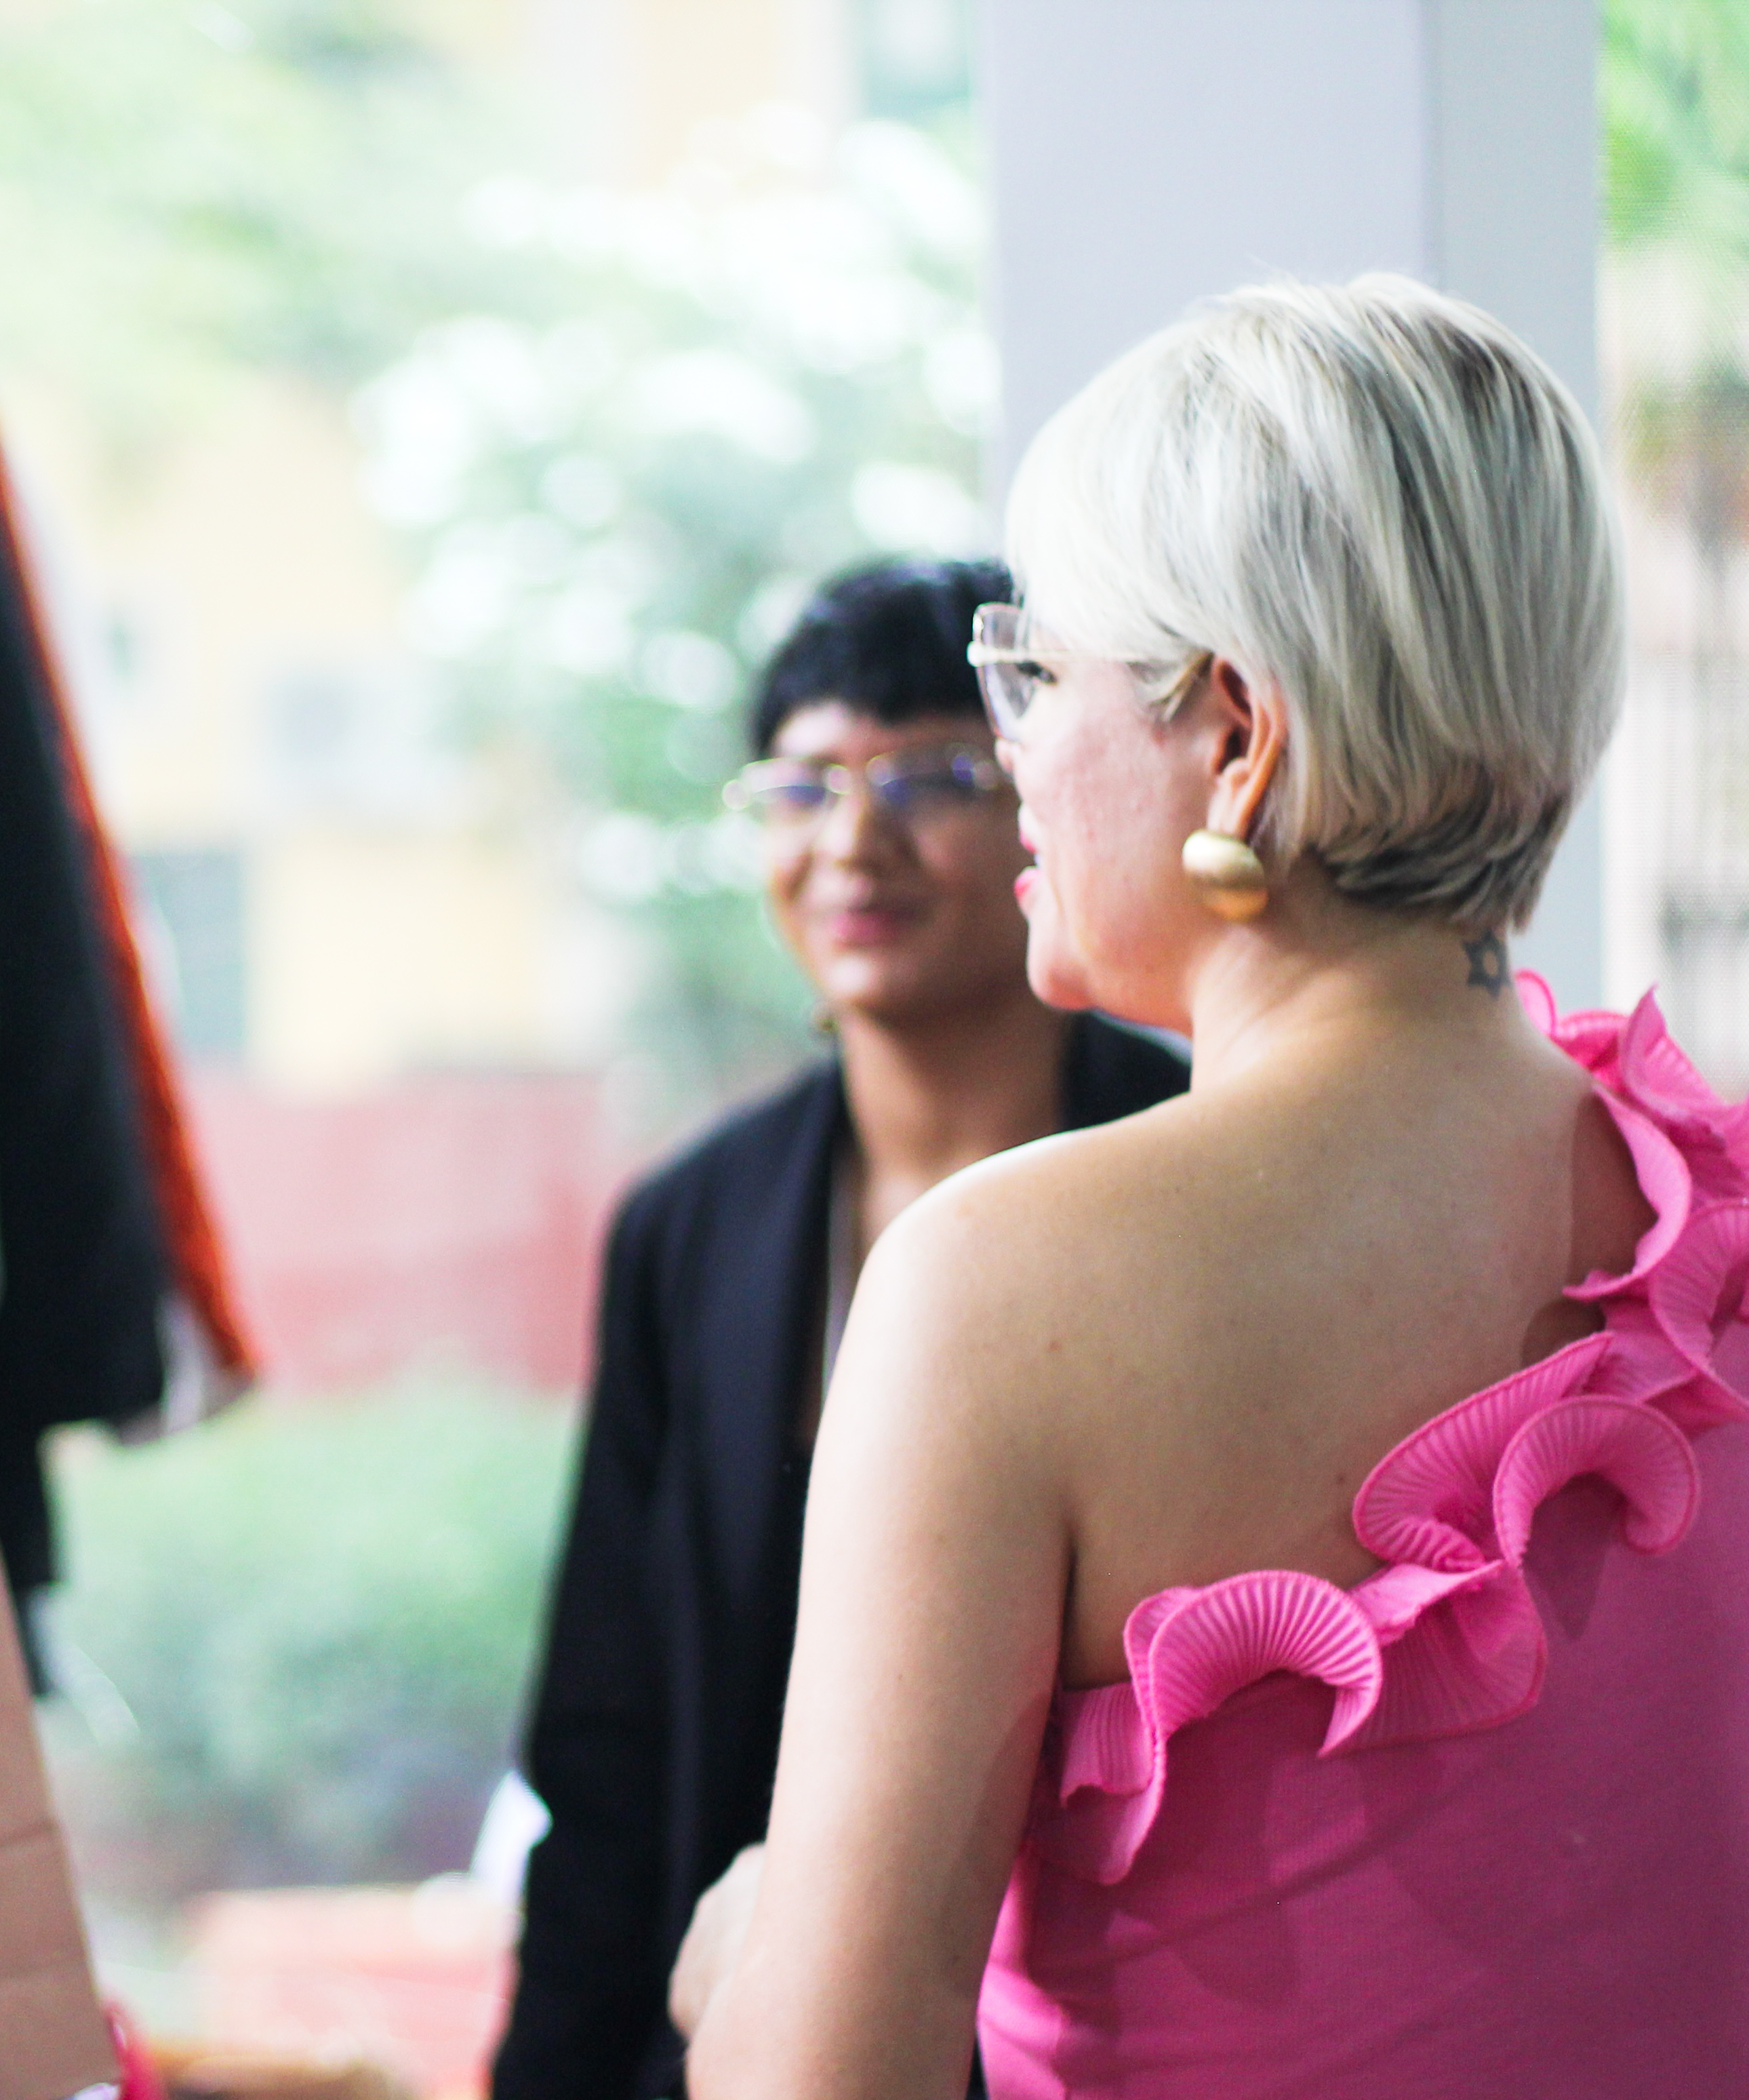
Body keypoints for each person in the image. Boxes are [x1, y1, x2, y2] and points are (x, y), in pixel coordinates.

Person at [670, 275, 1748, 2099]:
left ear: (1231, 734)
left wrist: (744, 1947)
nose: (1010, 746)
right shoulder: (1703, 1211)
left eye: (1034, 675)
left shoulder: (1001, 1292)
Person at [492, 559, 1187, 2100]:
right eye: (803, 788)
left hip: (1098, 2046)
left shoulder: (1194, 1166)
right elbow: (607, 1740)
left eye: (930, 778)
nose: (851, 844)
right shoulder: (689, 1227)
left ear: (1036, 801)